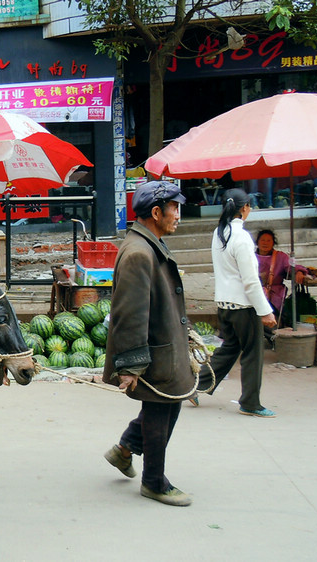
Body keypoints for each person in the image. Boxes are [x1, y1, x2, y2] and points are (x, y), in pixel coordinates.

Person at [102, 180, 196, 507]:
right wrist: (130, 364)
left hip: (165, 345)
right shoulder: (139, 253)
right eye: (174, 209)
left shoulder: (149, 244)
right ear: (156, 213)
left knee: (170, 404)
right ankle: (154, 482)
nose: (178, 215)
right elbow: (130, 313)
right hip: (153, 353)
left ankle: (125, 448)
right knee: (160, 411)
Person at [198, 189, 277, 418]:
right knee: (253, 353)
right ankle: (250, 403)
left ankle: (197, 386)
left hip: (224, 304)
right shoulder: (241, 237)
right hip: (243, 307)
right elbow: (250, 281)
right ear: (244, 208)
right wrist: (265, 311)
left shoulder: (219, 232)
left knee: (230, 348)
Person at [255, 229, 309, 320]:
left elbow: (291, 267)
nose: (265, 243)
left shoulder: (280, 256)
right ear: (257, 242)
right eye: (263, 240)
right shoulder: (250, 256)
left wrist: (299, 271)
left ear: (273, 243)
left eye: (268, 241)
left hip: (274, 293)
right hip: (254, 290)